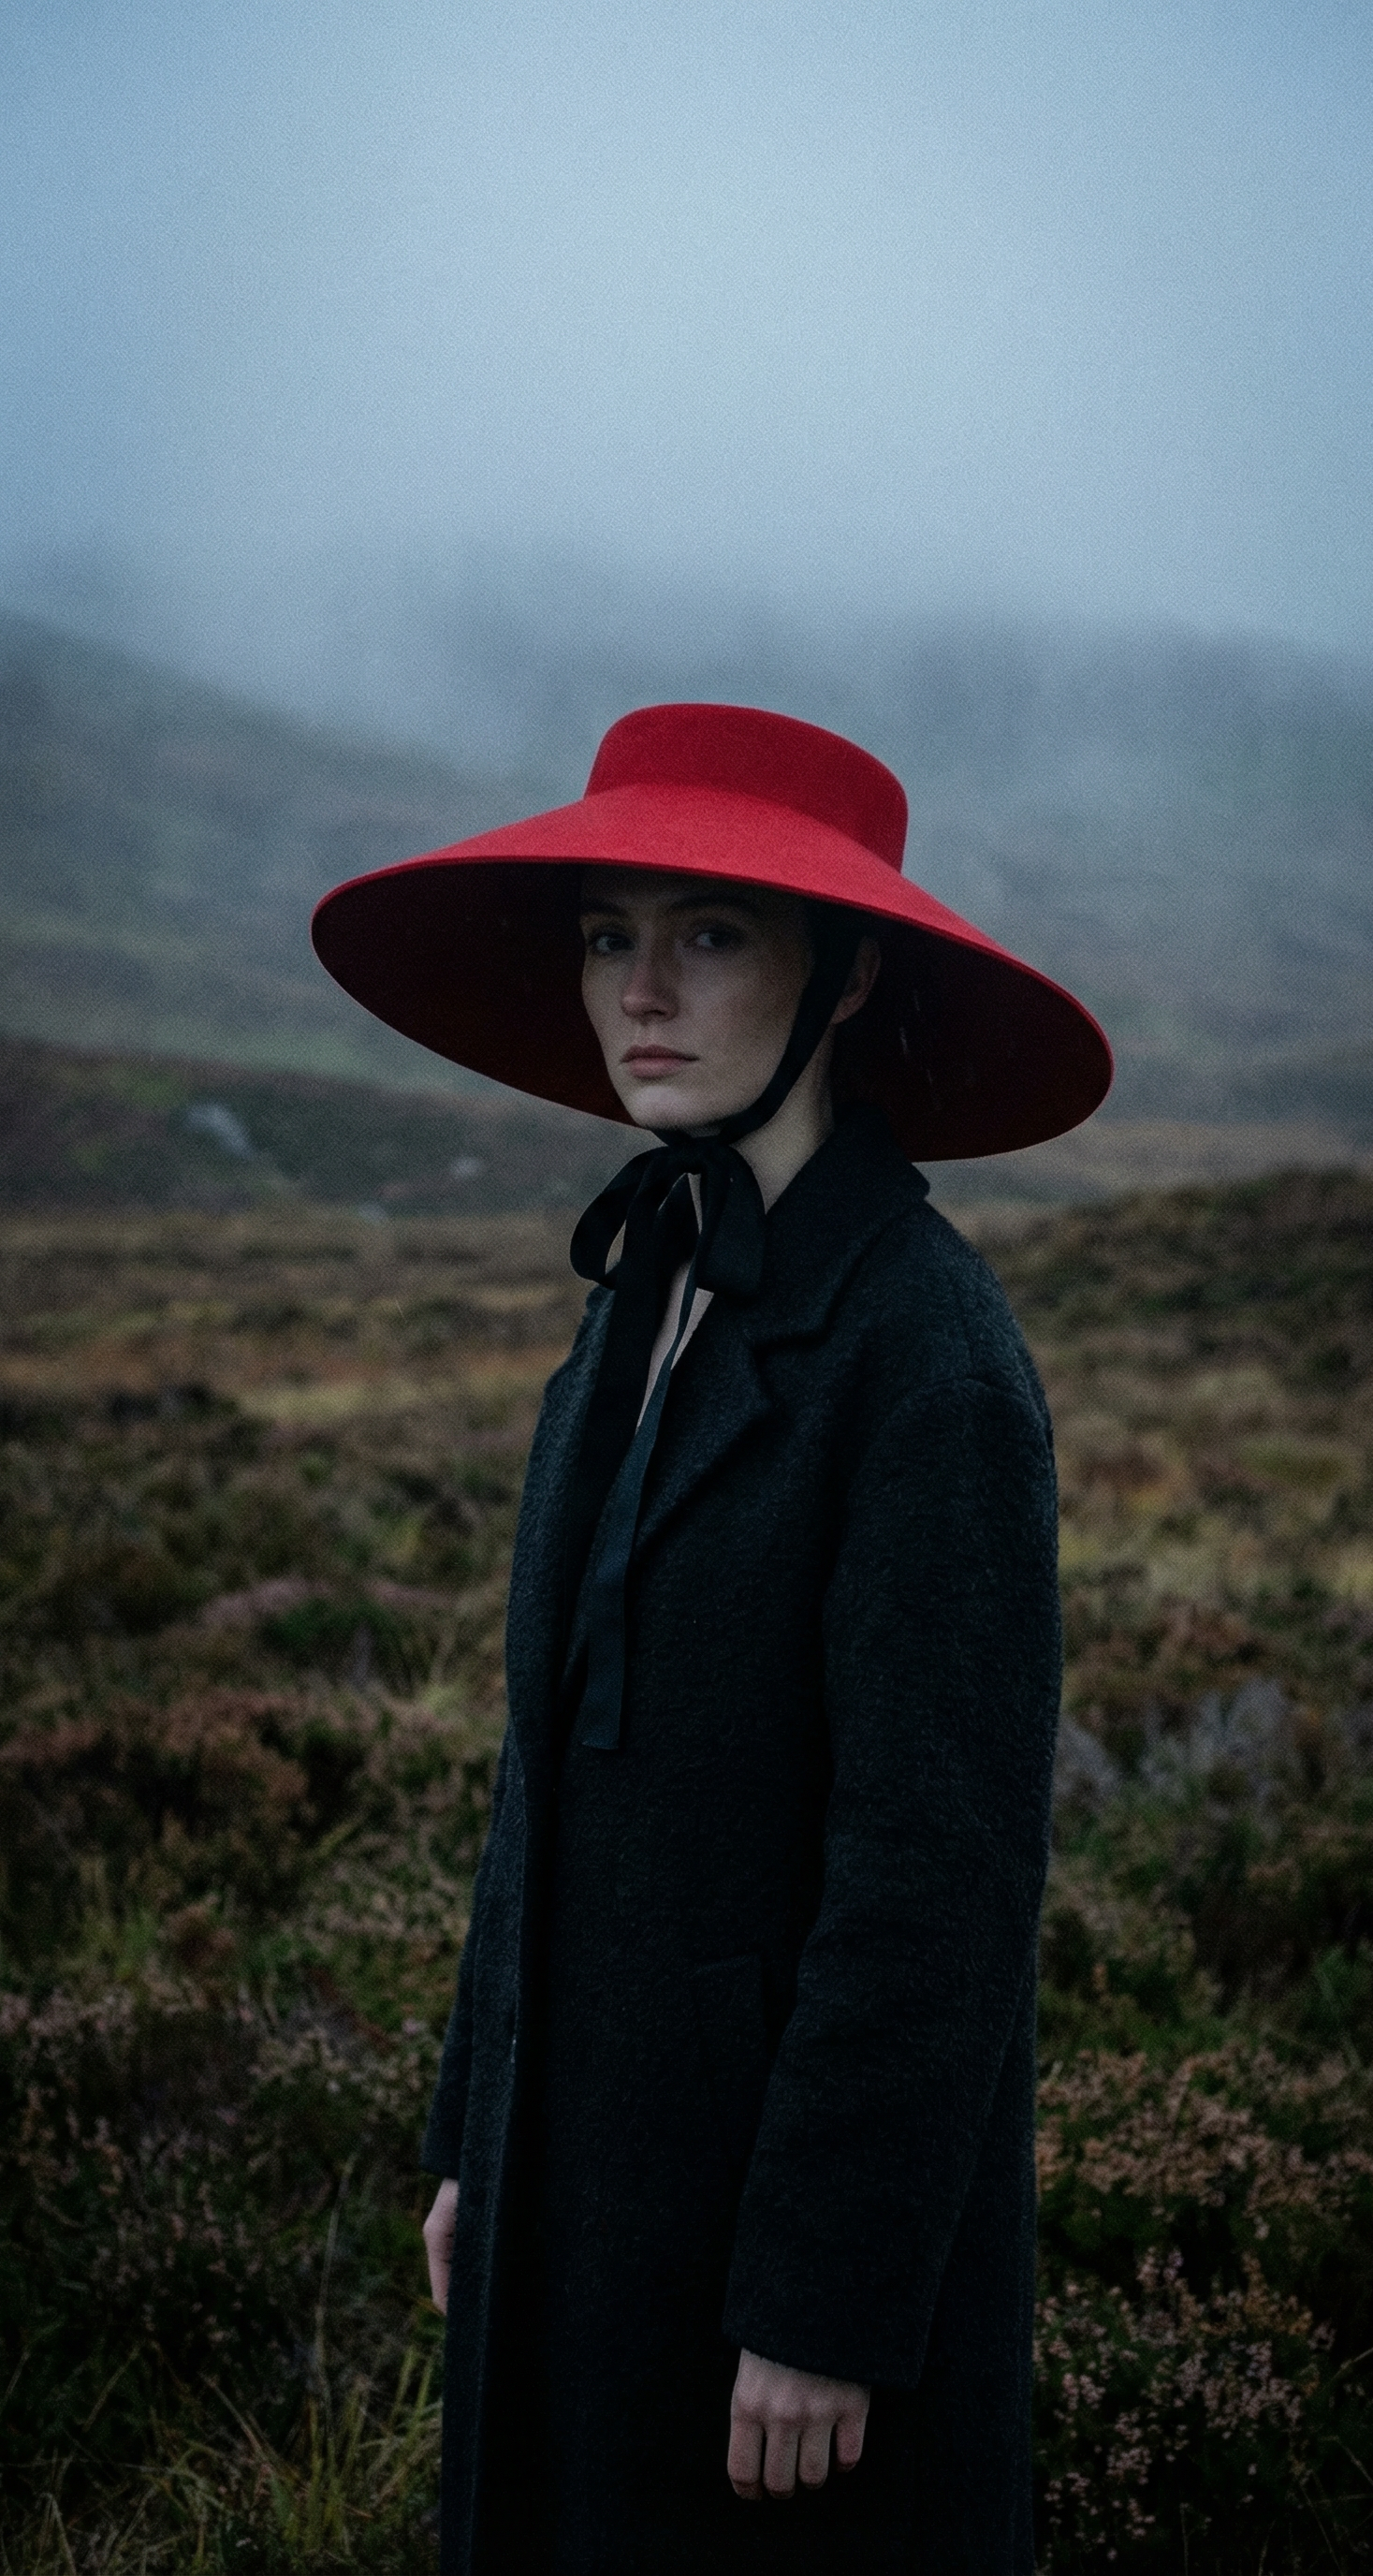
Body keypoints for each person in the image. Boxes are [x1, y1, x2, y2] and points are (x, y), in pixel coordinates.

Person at [312, 702, 1111, 2575]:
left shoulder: (929, 1362)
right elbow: (550, 1761)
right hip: (573, 2181)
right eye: (608, 931)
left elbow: (940, 1871)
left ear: (841, 980)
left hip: (769, 2264)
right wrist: (473, 2129)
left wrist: (828, 2292)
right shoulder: (637, 1293)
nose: (640, 989)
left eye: (713, 932)